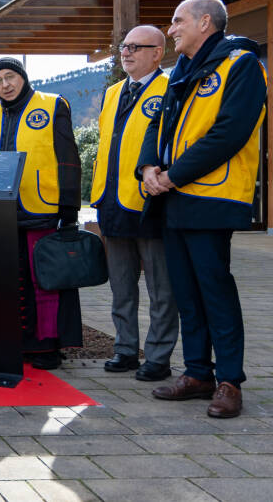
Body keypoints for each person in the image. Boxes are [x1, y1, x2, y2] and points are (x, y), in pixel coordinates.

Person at [139, 0, 267, 419]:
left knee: (215, 290)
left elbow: (229, 133)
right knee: (186, 292)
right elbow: (157, 124)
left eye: (178, 21)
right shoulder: (181, 72)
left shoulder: (242, 65)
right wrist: (148, 168)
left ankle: (229, 380)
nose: (171, 29)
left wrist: (172, 175)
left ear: (205, 22)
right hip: (173, 200)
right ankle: (198, 373)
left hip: (212, 197)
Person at [0, 57, 83, 370]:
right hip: (2, 210)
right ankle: (19, 342)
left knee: (46, 280)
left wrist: (69, 208)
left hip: (43, 207)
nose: (5, 85)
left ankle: (46, 346)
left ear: (23, 77)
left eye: (10, 77)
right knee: (13, 280)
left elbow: (68, 158)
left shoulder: (53, 105)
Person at [91, 26, 178, 383]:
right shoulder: (112, 92)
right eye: (123, 47)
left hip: (150, 204)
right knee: (121, 286)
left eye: (135, 47)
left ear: (157, 53)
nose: (125, 53)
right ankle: (125, 349)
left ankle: (158, 356)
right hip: (112, 203)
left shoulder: (171, 88)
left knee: (161, 288)